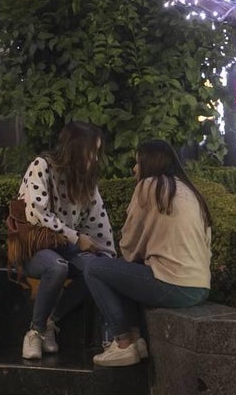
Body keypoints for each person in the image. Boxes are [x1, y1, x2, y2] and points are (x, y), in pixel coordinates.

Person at [81, 139, 212, 367]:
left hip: (173, 285)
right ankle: (136, 339)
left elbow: (130, 243)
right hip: (200, 287)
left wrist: (128, 254)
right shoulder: (188, 190)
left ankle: (123, 343)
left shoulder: (148, 186)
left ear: (149, 163)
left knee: (94, 268)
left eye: (137, 162)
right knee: (131, 270)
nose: (134, 169)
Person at [17, 121, 116, 360]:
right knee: (56, 267)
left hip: (67, 247)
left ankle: (52, 322)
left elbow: (98, 223)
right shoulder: (42, 166)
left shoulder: (86, 181)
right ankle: (35, 331)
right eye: (91, 150)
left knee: (97, 269)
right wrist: (75, 237)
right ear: (75, 148)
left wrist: (109, 258)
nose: (94, 157)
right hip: (36, 246)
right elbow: (36, 214)